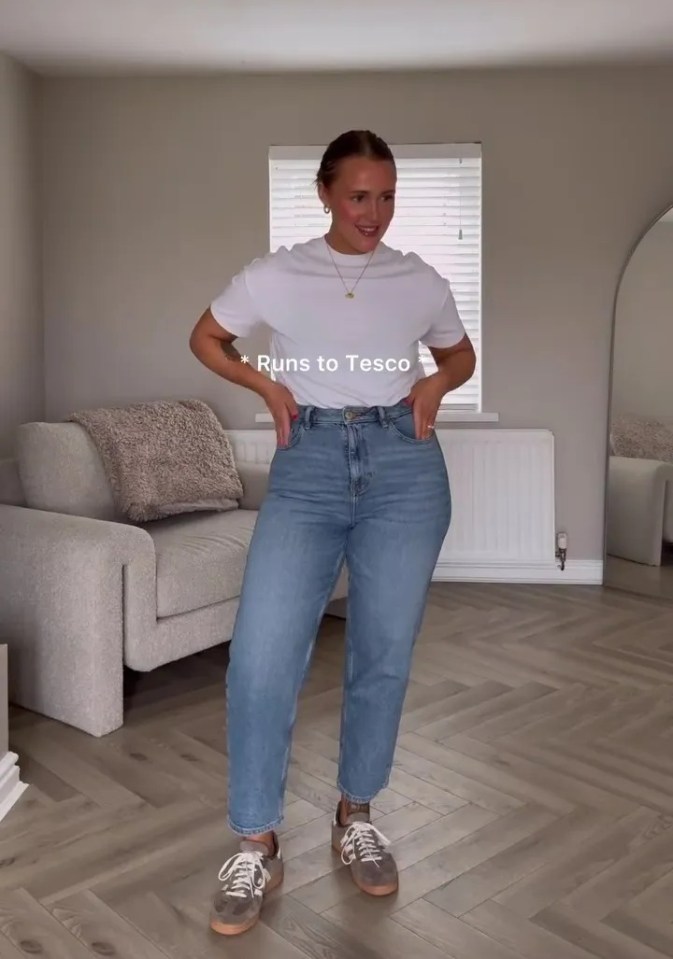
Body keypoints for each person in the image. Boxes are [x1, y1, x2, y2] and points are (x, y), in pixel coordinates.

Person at [189, 129, 476, 936]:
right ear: (324, 193)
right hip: (308, 463)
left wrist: (432, 384)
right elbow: (206, 337)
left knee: (381, 653)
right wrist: (266, 387)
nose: (373, 213)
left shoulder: (416, 279)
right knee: (261, 656)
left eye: (386, 196)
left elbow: (459, 354)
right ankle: (255, 838)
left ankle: (355, 815)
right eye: (358, 195)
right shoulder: (276, 273)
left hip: (405, 469)